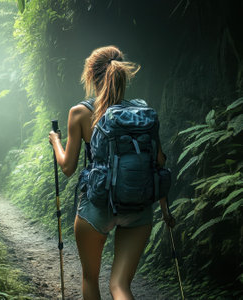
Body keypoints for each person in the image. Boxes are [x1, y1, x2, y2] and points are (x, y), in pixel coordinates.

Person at [49, 45, 175, 300]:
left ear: (90, 75)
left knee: (90, 278)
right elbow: (158, 162)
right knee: (120, 286)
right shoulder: (142, 114)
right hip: (138, 205)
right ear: (121, 76)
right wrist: (164, 209)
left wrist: (55, 141)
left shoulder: (81, 112)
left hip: (97, 206)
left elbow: (67, 167)